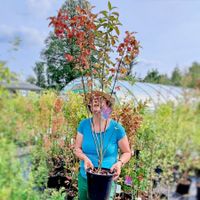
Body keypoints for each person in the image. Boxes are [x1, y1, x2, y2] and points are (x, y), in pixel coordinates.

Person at [74, 91, 132, 200]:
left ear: (107, 104)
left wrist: (119, 163)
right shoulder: (84, 125)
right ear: (89, 106)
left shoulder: (116, 128)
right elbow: (77, 149)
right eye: (92, 100)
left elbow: (127, 152)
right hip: (85, 177)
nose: (95, 101)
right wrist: (84, 158)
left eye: (100, 99)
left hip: (106, 180)